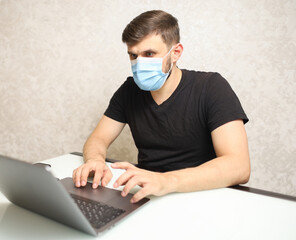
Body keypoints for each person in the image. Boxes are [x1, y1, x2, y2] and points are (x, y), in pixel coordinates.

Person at [72, 10, 250, 203]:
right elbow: (98, 138)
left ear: (175, 53)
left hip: (202, 195)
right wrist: (95, 160)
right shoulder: (129, 91)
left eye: (149, 53)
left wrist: (166, 181)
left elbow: (239, 167)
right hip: (149, 195)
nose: (139, 64)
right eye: (133, 55)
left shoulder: (211, 87)